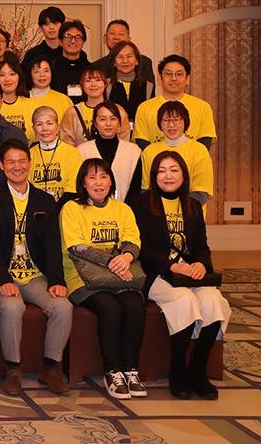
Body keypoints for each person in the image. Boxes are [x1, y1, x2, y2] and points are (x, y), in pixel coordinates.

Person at [0, 139, 73, 395]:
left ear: (30, 164)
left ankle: (50, 368)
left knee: (63, 307)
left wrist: (57, 280)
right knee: (12, 307)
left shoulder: (45, 200)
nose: (17, 167)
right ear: (1, 165)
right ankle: (13, 369)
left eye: (22, 161)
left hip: (35, 277)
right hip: (2, 275)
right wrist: (2, 279)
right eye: (11, 162)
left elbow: (53, 245)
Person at [133, 150, 228, 400]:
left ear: (183, 175)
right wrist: (171, 266)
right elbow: (140, 247)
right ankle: (178, 370)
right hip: (157, 274)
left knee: (214, 301)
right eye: (162, 171)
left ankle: (197, 369)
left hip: (190, 274)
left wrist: (201, 264)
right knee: (185, 300)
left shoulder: (193, 205)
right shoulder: (140, 204)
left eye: (174, 170)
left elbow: (201, 245)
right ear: (154, 176)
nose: (168, 176)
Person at [60, 158, 146, 400]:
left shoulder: (123, 209)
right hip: (83, 279)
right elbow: (77, 247)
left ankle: (130, 371)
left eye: (103, 177)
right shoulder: (72, 209)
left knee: (135, 306)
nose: (98, 182)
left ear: (111, 181)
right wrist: (111, 261)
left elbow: (133, 241)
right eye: (92, 177)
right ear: (83, 183)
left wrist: (126, 257)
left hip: (120, 275)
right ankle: (112, 371)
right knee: (110, 308)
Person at [138, 101, 214, 205]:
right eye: (166, 120)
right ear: (159, 123)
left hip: (190, 211)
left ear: (185, 121)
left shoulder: (199, 150)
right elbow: (144, 189)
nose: (171, 125)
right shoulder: (149, 151)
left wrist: (174, 208)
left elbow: (201, 193)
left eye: (177, 120)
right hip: (156, 212)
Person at [134, 55, 217, 150]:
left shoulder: (203, 107)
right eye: (168, 74)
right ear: (160, 78)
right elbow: (142, 143)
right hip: (155, 159)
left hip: (192, 159)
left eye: (179, 74)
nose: (173, 78)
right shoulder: (144, 108)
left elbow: (204, 143)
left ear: (187, 79)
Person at [77, 101, 142, 203]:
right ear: (95, 123)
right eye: (103, 119)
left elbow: (135, 189)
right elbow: (80, 186)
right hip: (89, 209)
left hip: (125, 209)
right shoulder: (82, 151)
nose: (108, 123)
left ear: (119, 123)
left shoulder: (133, 151)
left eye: (113, 119)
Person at [60, 65, 130, 146]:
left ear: (105, 84)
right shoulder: (72, 112)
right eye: (88, 80)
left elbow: (124, 139)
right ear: (82, 85)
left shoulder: (118, 110)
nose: (93, 84)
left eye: (98, 80)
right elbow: (67, 142)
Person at [29, 105, 83, 203]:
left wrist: (54, 209)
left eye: (49, 123)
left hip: (65, 208)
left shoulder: (72, 153)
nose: (44, 128)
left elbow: (73, 190)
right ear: (34, 129)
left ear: (57, 127)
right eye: (39, 124)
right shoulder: (28, 155)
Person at [91, 19, 156, 83]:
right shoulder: (97, 67)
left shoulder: (143, 62)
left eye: (121, 34)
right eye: (112, 33)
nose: (116, 37)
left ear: (129, 39)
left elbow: (149, 88)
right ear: (105, 38)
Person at [106, 40, 155, 120]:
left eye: (129, 56)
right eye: (120, 57)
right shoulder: (105, 85)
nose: (125, 61)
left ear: (137, 61)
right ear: (114, 62)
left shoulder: (148, 86)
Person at [24, 54, 74, 123]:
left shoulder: (64, 100)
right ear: (30, 75)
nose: (42, 75)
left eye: (46, 71)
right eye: (36, 71)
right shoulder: (22, 99)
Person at [51, 20, 91, 101]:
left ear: (83, 42)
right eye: (68, 37)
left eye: (78, 38)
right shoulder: (51, 68)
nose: (73, 41)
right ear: (60, 41)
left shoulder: (90, 69)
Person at [0, 59, 35, 137]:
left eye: (12, 74)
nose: (7, 79)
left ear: (19, 77)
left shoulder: (32, 105)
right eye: (2, 75)